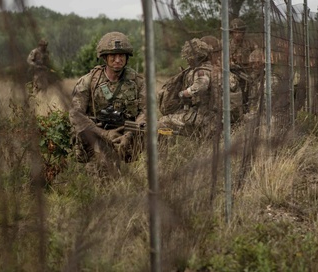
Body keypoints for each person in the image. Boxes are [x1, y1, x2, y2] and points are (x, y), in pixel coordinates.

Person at [69, 32, 145, 174]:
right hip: (96, 134)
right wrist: (104, 134)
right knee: (104, 171)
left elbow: (146, 111)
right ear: (105, 57)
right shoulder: (89, 81)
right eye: (113, 56)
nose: (117, 60)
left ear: (127, 57)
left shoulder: (137, 82)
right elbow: (75, 114)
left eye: (121, 55)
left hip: (127, 133)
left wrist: (130, 133)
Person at [158, 39, 217, 137]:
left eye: (188, 58)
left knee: (161, 124)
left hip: (202, 117)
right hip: (210, 117)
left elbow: (201, 86)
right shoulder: (212, 68)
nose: (187, 61)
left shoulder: (201, 70)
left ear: (195, 57)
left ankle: (163, 151)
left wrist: (183, 93)